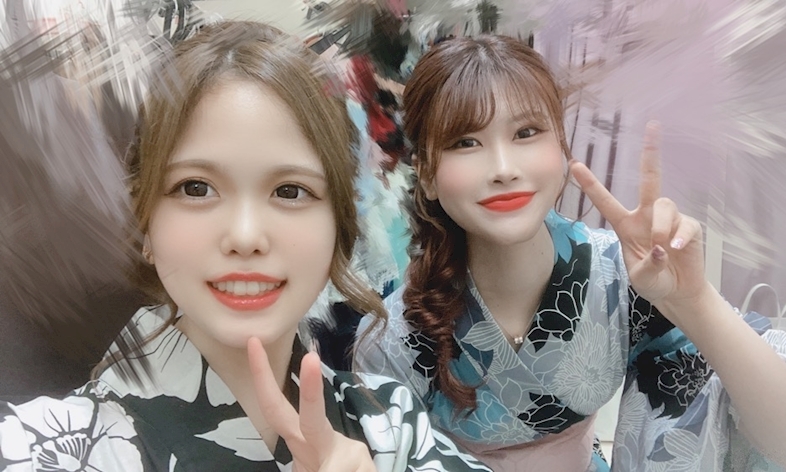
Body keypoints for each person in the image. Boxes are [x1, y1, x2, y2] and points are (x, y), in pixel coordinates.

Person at [0, 21, 491, 472]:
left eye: (290, 191)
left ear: (339, 230)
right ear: (146, 225)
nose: (245, 236)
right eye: (196, 188)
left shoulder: (391, 427)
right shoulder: (46, 446)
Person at [355, 34, 786, 471]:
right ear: (427, 175)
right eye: (466, 142)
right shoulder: (392, 336)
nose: (503, 168)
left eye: (526, 133)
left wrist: (693, 302)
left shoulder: (622, 274)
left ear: (562, 148)